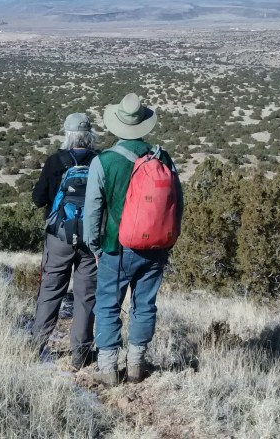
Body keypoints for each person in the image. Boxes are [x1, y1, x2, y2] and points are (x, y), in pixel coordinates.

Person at [83, 93, 184, 385]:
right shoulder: (162, 157)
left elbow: (93, 211)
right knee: (145, 304)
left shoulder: (104, 162)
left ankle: (108, 369)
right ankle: (137, 365)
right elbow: (178, 201)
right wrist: (169, 238)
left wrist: (94, 246)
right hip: (156, 246)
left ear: (117, 125)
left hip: (115, 247)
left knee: (107, 304)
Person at [31, 112, 99, 370]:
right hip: (90, 239)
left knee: (50, 290)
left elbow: (38, 199)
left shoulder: (55, 162)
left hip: (58, 236)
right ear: (90, 136)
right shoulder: (99, 162)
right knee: (86, 295)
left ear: (67, 135)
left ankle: (37, 345)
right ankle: (80, 354)